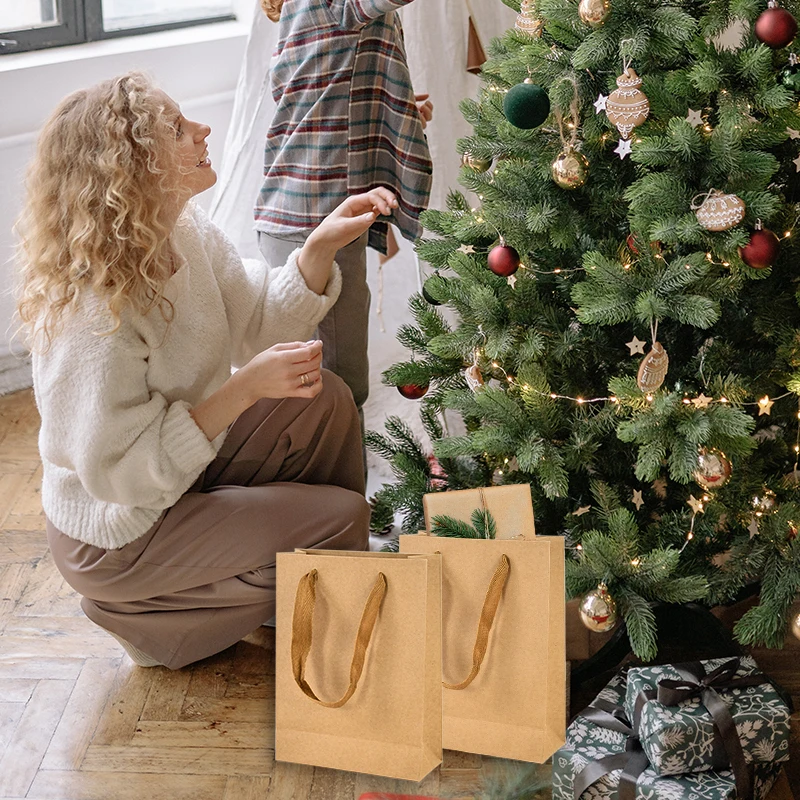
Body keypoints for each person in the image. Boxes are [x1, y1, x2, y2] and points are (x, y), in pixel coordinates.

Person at [14, 71, 398, 670]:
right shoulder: (92, 308)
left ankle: (317, 575)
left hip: (178, 477)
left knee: (325, 400)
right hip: (119, 531)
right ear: (134, 166)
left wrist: (318, 247)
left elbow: (262, 320)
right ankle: (150, 617)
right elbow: (123, 477)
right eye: (176, 129)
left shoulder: (185, 232)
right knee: (343, 518)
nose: (202, 130)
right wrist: (243, 391)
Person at [255, 0, 434, 423]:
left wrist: (397, 110)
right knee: (338, 388)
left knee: (332, 385)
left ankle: (334, 480)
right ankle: (343, 485)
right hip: (314, 219)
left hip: (310, 209)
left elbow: (328, 90)